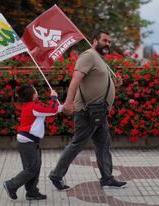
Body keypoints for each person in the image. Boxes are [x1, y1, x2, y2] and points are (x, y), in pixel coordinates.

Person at [48, 30, 126, 190]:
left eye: (109, 42)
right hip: (87, 111)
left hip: (99, 111)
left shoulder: (99, 59)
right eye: (105, 40)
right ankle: (56, 175)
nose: (108, 44)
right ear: (95, 41)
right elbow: (76, 79)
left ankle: (107, 178)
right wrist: (68, 103)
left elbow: (97, 82)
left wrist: (115, 84)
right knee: (77, 144)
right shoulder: (88, 56)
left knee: (103, 144)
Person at [3, 84, 62, 200]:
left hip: (29, 141)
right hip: (27, 142)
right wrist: (54, 98)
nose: (37, 91)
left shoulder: (34, 105)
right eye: (35, 90)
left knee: (33, 167)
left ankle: (32, 192)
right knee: (32, 168)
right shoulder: (33, 107)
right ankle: (11, 185)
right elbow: (51, 109)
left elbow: (52, 110)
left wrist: (64, 106)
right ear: (33, 94)